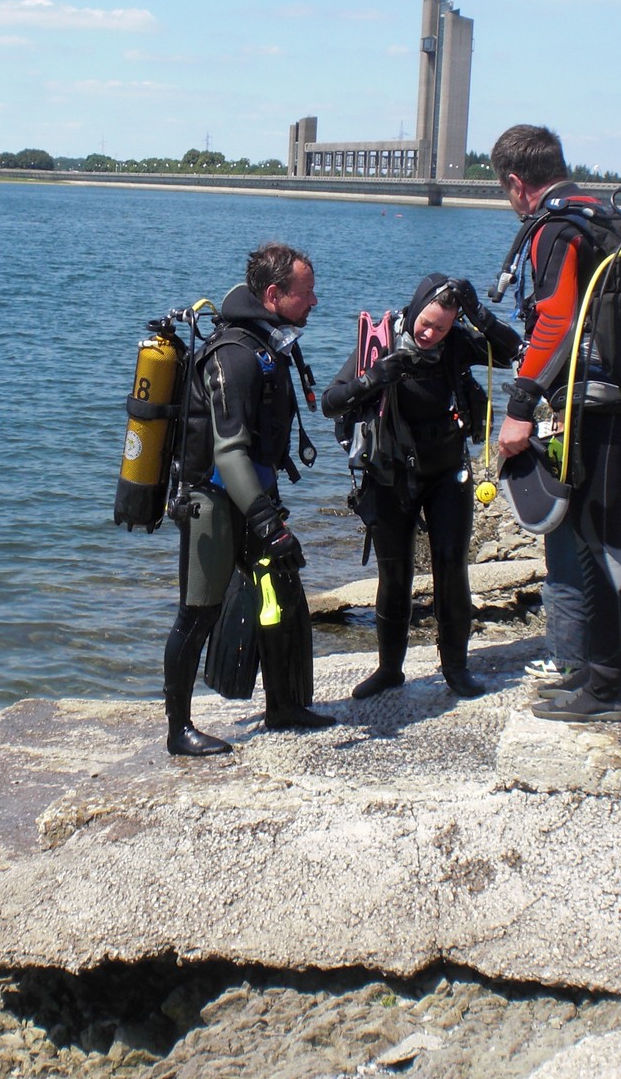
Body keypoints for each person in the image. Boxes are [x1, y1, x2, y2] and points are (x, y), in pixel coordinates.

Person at [491, 124, 621, 721]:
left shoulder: (557, 228)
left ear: (517, 184)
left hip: (605, 410)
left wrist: (518, 410)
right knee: (610, 538)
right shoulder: (611, 218)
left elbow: (557, 322)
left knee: (600, 543)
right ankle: (597, 669)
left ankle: (605, 689)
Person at [161, 242, 335, 756]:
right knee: (197, 614)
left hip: (254, 496)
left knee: (276, 597)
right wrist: (268, 522)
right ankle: (178, 730)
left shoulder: (267, 345)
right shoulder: (233, 355)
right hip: (212, 501)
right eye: (306, 293)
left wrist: (267, 514)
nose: (315, 302)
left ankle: (283, 704)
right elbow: (229, 451)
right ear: (275, 294)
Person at [322, 274, 522, 699]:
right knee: (394, 573)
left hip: (447, 473)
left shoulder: (455, 345)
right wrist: (372, 378)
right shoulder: (380, 342)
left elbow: (512, 353)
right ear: (413, 310)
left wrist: (478, 315)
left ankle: (456, 667)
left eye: (442, 328)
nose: (430, 334)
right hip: (389, 475)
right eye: (426, 323)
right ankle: (389, 670)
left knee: (452, 569)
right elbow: (330, 401)